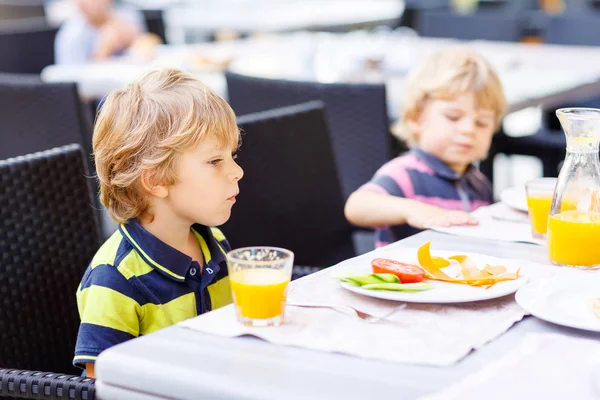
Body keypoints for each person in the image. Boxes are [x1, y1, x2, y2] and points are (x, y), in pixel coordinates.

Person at [73, 68, 243, 378]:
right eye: (215, 161)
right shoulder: (116, 279)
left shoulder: (214, 244)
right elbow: (102, 385)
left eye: (231, 155)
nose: (237, 171)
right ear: (156, 179)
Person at [344, 47, 506, 247]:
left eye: (482, 123)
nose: (468, 130)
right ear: (415, 118)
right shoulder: (405, 174)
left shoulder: (478, 183)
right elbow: (357, 206)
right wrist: (413, 210)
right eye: (453, 117)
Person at [54, 0, 160, 64]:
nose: (83, 2)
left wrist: (139, 42)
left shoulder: (128, 16)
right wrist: (103, 51)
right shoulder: (71, 35)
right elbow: (73, 90)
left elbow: (145, 47)